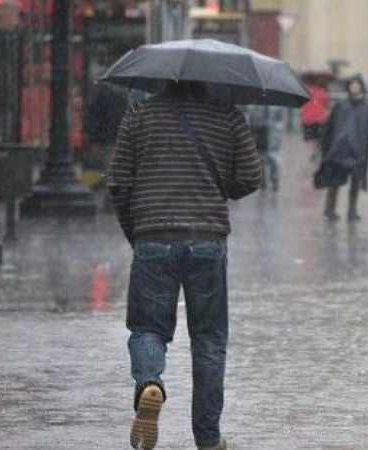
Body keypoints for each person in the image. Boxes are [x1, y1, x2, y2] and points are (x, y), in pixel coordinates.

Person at [107, 80, 262, 450]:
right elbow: (251, 177)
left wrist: (138, 233)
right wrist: (216, 183)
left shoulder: (139, 115)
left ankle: (149, 383)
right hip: (207, 238)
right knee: (209, 339)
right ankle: (208, 439)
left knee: (148, 327)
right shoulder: (227, 116)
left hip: (153, 235)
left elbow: (117, 182)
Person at [314, 76, 368, 221]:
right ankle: (330, 209)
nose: (355, 87)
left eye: (357, 85)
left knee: (355, 181)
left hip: (358, 150)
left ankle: (352, 211)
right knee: (334, 181)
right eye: (352, 85)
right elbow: (331, 127)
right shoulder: (341, 106)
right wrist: (325, 146)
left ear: (361, 87)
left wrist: (366, 145)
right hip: (340, 149)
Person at [247, 104, 286, 191]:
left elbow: (252, 117)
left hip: (268, 131)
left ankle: (271, 179)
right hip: (262, 130)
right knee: (264, 156)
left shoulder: (257, 102)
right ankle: (266, 179)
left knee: (269, 156)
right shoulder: (276, 102)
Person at [300, 81, 330, 161]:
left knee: (309, 139)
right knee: (317, 138)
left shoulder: (305, 91)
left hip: (307, 119)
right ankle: (315, 152)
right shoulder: (323, 92)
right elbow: (327, 105)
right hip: (319, 120)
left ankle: (311, 153)